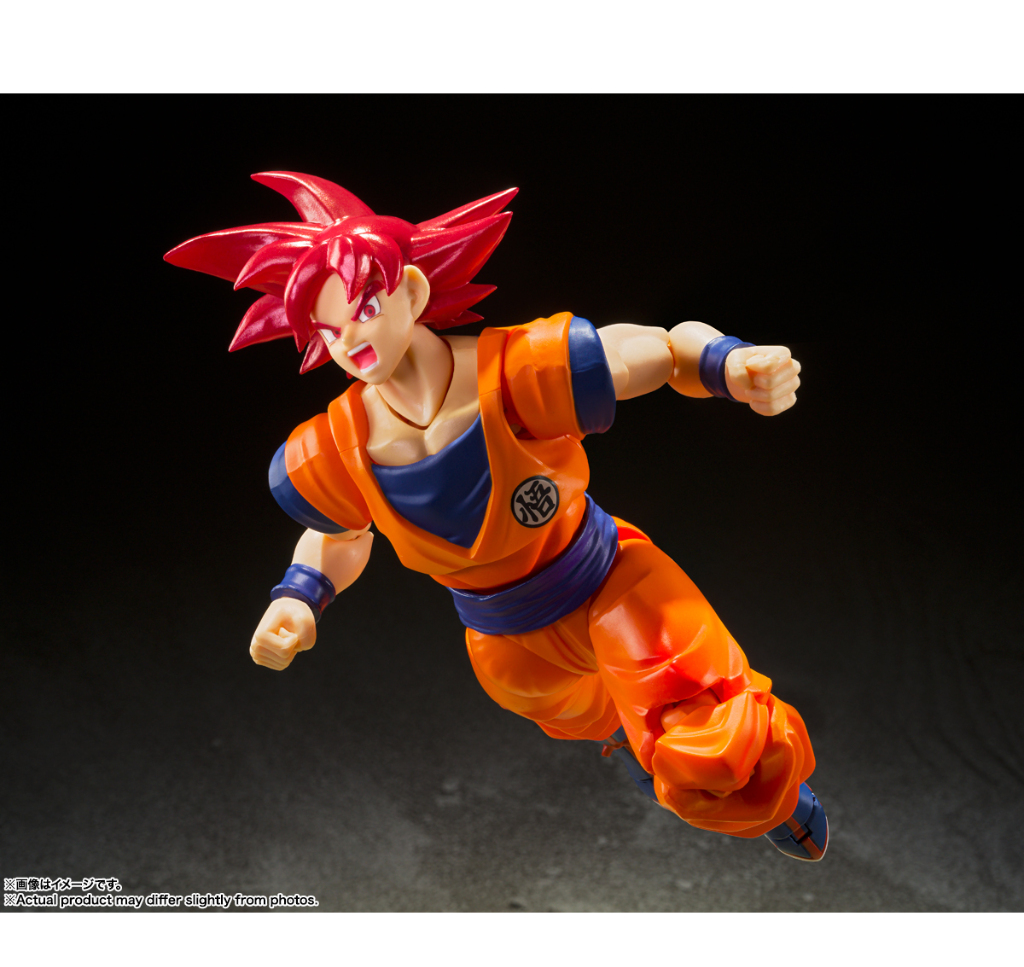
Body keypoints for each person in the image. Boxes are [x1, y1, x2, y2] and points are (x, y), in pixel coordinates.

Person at [166, 171, 828, 861]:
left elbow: (657, 351)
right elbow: (339, 532)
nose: (349, 339)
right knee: (618, 729)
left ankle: (778, 798)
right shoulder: (334, 446)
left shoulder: (516, 373)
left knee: (703, 730)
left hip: (609, 582)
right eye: (329, 329)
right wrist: (299, 597)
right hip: (508, 645)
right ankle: (642, 746)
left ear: (411, 292)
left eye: (363, 308)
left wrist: (728, 364)